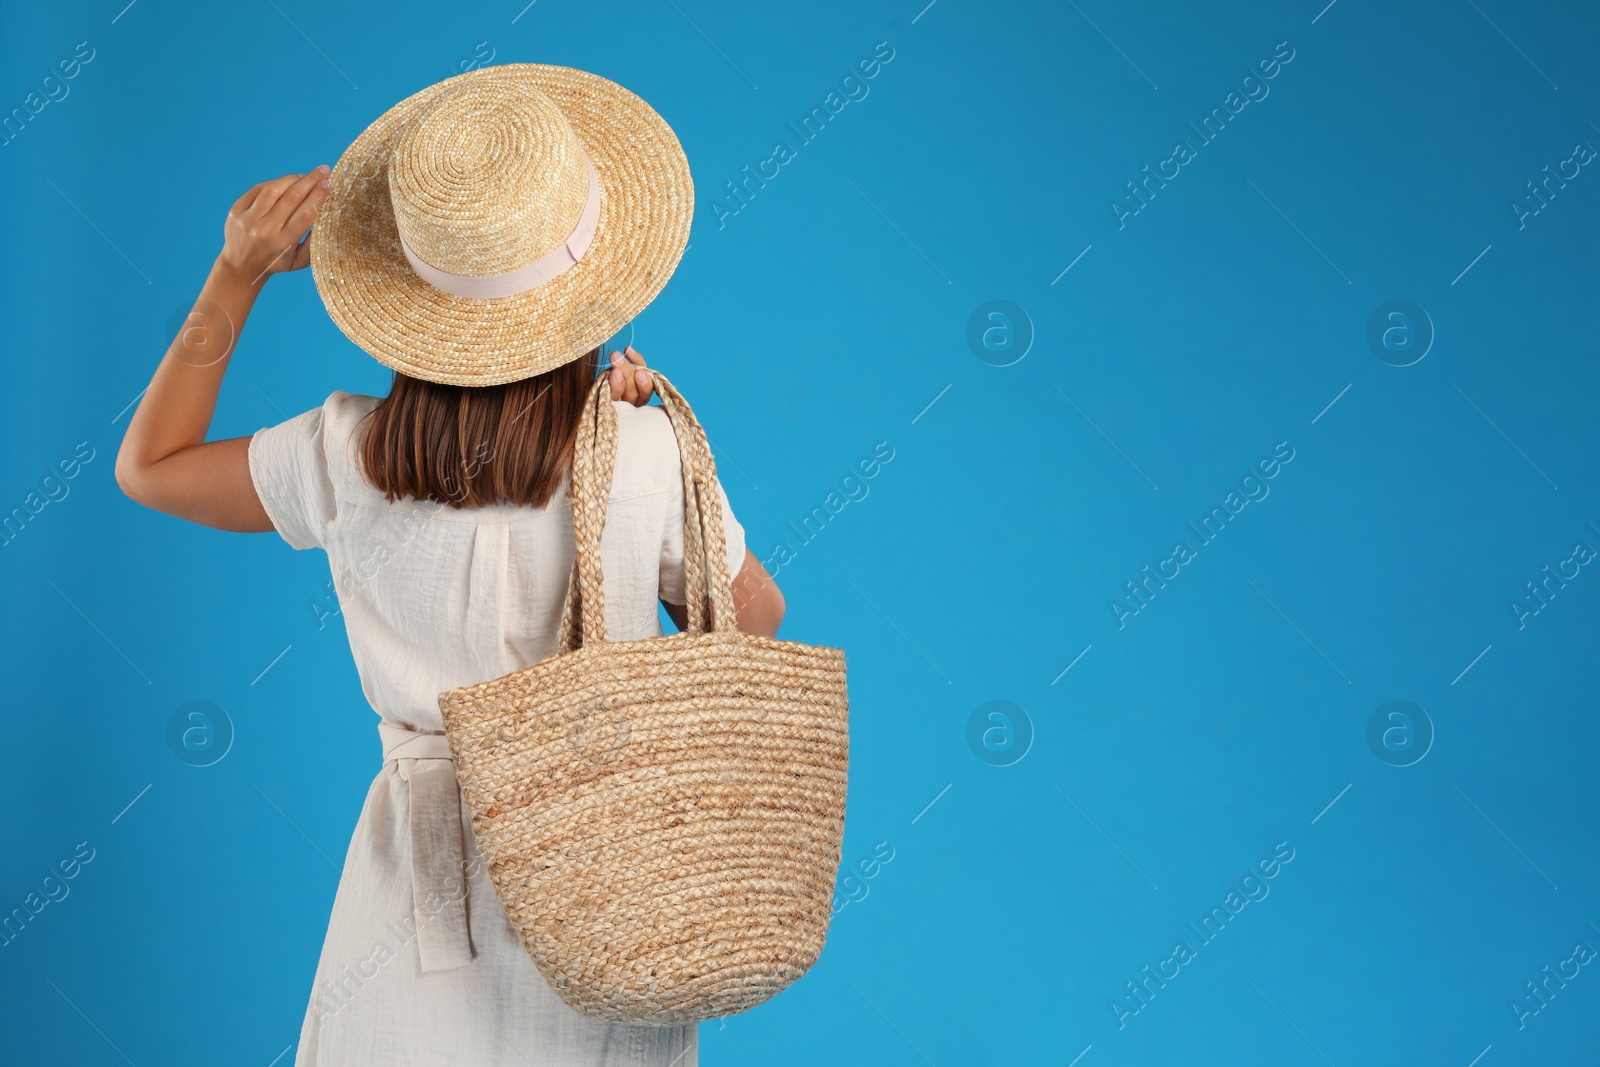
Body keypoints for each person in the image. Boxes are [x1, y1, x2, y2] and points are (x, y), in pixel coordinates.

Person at [114, 63, 783, 1066]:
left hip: (416, 879)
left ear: (415, 295)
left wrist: (237, 272)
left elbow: (149, 468)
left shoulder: (344, 452)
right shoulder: (638, 450)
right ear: (588, 286)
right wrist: (673, 460)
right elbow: (754, 620)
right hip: (607, 877)